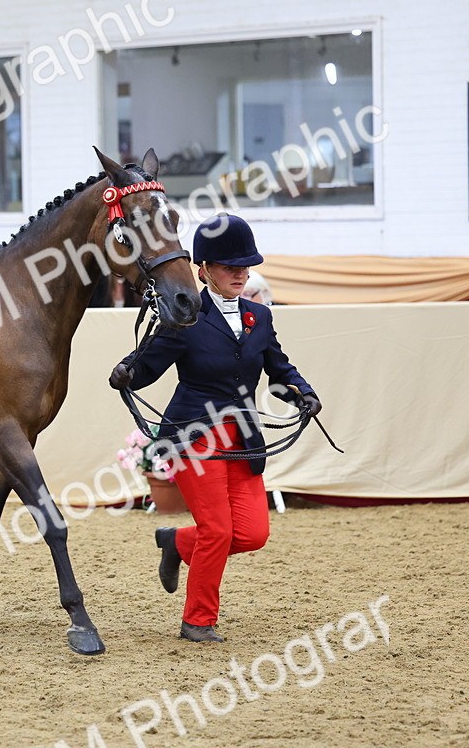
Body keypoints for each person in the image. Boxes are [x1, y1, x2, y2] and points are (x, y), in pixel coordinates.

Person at [108, 213, 320, 643]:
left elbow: (278, 368)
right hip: (193, 435)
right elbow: (148, 364)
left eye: (245, 266)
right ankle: (197, 621)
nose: (241, 274)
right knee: (219, 531)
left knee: (252, 533)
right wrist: (128, 370)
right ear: (203, 270)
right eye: (229, 267)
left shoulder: (259, 318)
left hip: (242, 438)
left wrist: (302, 393)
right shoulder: (184, 317)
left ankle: (176, 543)